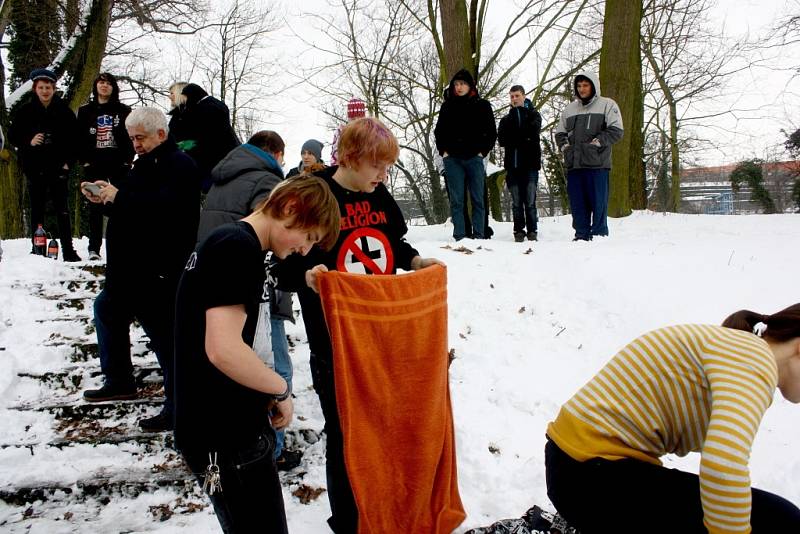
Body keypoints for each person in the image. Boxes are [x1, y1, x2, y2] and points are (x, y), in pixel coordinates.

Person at [281, 117, 444, 532]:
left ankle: (389, 509)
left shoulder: (381, 194)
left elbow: (394, 243)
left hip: (383, 335)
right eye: (377, 166)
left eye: (388, 167)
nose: (383, 175)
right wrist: (307, 276)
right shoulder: (316, 196)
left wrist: (414, 261)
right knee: (346, 434)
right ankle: (350, 522)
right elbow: (282, 260)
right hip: (334, 342)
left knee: (388, 427)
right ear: (351, 158)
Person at [173, 175, 340, 533]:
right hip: (225, 437)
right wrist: (280, 388)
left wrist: (307, 279)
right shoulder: (237, 248)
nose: (307, 250)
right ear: (291, 207)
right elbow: (224, 349)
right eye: (309, 237)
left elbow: (268, 277)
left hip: (220, 429)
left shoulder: (235, 242)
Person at [545, 304, 800, 533]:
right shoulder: (755, 358)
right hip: (591, 477)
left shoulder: (740, 349)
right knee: (781, 522)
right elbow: (723, 465)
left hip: (580, 470)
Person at [80, 107, 199, 433]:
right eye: (132, 138)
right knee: (106, 309)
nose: (135, 144)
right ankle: (119, 380)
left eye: (140, 138)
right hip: (129, 270)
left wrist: (121, 198)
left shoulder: (180, 165)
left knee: (166, 341)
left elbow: (166, 211)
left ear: (160, 134)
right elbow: (133, 204)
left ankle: (178, 408)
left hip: (158, 271)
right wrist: (106, 195)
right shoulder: (144, 164)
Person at [197, 130, 302, 470]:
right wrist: (280, 391)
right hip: (255, 288)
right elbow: (272, 229)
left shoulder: (221, 178)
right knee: (274, 364)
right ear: (276, 152)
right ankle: (273, 449)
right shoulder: (265, 180)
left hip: (218, 284)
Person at [9, 68, 81, 261]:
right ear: (35, 89)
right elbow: (13, 136)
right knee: (37, 209)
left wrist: (68, 163)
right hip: (34, 167)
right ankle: (37, 248)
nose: (45, 91)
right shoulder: (25, 111)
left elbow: (75, 140)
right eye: (41, 87)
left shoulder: (64, 111)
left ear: (53, 88)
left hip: (59, 168)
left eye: (48, 87)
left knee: (62, 209)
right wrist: (29, 141)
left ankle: (68, 249)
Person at [554, 72, 623, 241]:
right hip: (575, 165)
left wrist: (597, 143)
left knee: (598, 204)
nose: (582, 89)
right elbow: (560, 132)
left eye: (585, 85)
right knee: (578, 205)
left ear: (593, 86)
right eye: (579, 86)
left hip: (597, 165)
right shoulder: (569, 109)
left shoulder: (607, 104)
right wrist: (565, 147)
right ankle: (581, 235)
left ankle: (599, 236)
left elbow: (616, 131)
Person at [76, 72, 135, 260]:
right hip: (94, 164)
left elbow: (131, 135)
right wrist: (84, 160)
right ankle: (94, 248)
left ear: (113, 87)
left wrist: (128, 159)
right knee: (95, 207)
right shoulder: (85, 111)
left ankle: (122, 247)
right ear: (96, 86)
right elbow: (77, 137)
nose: (104, 86)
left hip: (119, 164)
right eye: (101, 82)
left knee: (121, 204)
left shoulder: (124, 110)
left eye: (108, 83)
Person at [434, 68, 496, 241]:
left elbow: (491, 132)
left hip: (474, 158)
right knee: (457, 201)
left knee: (478, 199)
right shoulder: (447, 107)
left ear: (470, 85)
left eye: (462, 84)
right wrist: (444, 152)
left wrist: (481, 152)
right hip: (453, 159)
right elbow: (439, 132)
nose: (459, 87)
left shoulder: (482, 105)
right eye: (456, 84)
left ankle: (479, 234)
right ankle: (460, 235)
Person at [497, 84, 542, 242]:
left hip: (530, 166)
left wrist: (518, 136)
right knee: (516, 201)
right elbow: (502, 140)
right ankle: (518, 230)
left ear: (523, 96)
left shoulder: (534, 115)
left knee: (529, 200)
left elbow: (532, 131)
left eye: (517, 96)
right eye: (512, 96)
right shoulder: (506, 119)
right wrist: (520, 136)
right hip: (513, 166)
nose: (514, 99)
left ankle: (532, 230)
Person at [178, 83, 240, 192]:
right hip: (225, 160)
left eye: (185, 98)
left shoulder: (208, 108)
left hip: (217, 163)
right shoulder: (213, 105)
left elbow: (208, 138)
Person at [330, 98, 366, 166]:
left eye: (359, 118)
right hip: (346, 171)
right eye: (353, 119)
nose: (356, 122)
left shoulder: (370, 134)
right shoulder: (341, 133)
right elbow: (334, 157)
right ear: (349, 119)